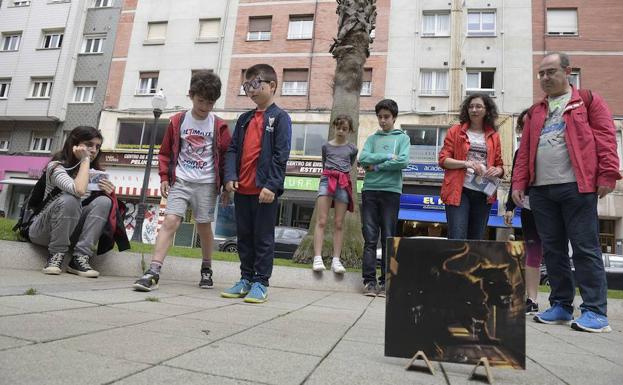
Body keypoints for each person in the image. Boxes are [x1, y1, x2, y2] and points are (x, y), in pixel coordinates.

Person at [512, 52, 620, 333]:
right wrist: (518, 184)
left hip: (578, 186)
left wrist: (609, 173)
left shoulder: (588, 101)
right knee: (553, 250)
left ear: (567, 71)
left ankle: (595, 311)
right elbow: (524, 152)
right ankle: (560, 305)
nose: (545, 78)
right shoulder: (536, 111)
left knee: (585, 248)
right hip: (541, 191)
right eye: (541, 74)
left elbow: (607, 138)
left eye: (551, 72)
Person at [133, 70, 231, 292]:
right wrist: (165, 177)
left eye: (210, 102)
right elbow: (165, 152)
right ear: (191, 95)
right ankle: (153, 271)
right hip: (181, 181)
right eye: (200, 101)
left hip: (207, 183)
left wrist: (226, 186)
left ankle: (207, 268)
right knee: (170, 221)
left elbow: (226, 158)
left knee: (204, 225)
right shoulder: (178, 121)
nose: (205, 107)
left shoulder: (219, 126)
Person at [221, 64, 292, 303]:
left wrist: (272, 185)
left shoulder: (280, 118)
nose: (250, 90)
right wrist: (229, 177)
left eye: (255, 84)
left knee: (263, 238)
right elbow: (232, 150)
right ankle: (246, 279)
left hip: (264, 191)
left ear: (271, 86)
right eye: (246, 86)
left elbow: (281, 155)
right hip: (243, 190)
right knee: (244, 237)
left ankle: (261, 282)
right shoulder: (244, 119)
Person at [30, 126, 129, 277]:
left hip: (70, 232)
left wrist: (107, 193)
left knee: (104, 201)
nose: (94, 150)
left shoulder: (94, 173)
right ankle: (56, 255)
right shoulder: (56, 167)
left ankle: (79, 258)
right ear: (74, 144)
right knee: (70, 198)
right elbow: (79, 190)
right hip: (42, 231)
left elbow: (90, 204)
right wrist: (85, 160)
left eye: (97, 146)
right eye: (89, 144)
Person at [358, 99, 410, 297]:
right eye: (379, 117)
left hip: (391, 191)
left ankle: (386, 282)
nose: (382, 121)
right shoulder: (372, 138)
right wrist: (388, 157)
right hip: (370, 190)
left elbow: (403, 161)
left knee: (388, 237)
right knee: (370, 239)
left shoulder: (403, 138)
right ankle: (369, 282)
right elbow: (363, 159)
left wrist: (378, 165)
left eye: (386, 117)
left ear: (394, 117)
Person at [438, 93, 504, 240]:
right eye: (471, 106)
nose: (474, 110)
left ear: (487, 110)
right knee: (457, 238)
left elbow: (500, 165)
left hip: (484, 193)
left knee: (476, 239)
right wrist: (466, 163)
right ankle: (455, 263)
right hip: (459, 190)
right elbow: (443, 160)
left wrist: (497, 170)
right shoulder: (455, 131)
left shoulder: (494, 135)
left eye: (479, 106)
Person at [504, 108, 542, 315]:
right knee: (533, 251)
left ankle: (561, 301)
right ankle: (532, 299)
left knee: (556, 251)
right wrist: (510, 207)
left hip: (554, 205)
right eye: (524, 124)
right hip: (528, 205)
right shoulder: (520, 152)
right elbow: (516, 181)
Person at [312, 114, 358, 274]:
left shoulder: (353, 148)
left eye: (344, 129)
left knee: (339, 223)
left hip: (343, 182)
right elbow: (325, 163)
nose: (340, 131)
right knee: (322, 220)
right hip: (327, 180)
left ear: (350, 130)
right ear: (334, 127)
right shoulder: (326, 146)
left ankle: (336, 260)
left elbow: (350, 164)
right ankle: (317, 258)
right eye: (338, 127)